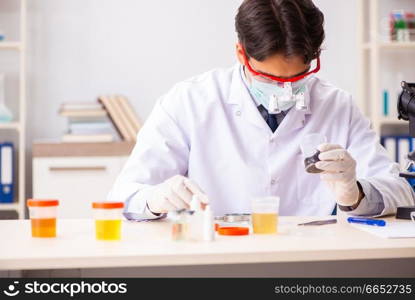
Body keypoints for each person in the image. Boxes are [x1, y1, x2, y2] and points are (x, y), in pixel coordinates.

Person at [108, 0, 415, 220]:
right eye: (271, 78)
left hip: (309, 262)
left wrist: (354, 192)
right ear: (241, 53)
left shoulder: (338, 105)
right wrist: (157, 198)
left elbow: (400, 192)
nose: (285, 89)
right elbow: (124, 197)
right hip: (218, 258)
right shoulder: (189, 101)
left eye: (297, 77)